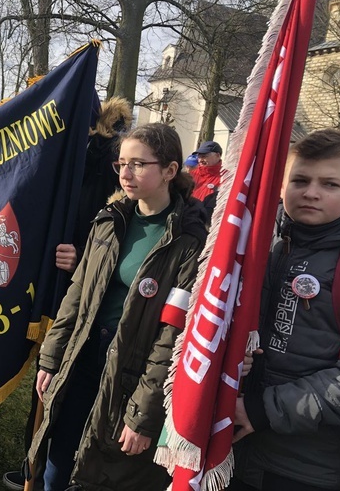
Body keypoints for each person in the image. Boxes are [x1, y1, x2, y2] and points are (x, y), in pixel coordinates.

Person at [28, 123, 207, 491]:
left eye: (138, 164)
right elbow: (77, 294)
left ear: (171, 171)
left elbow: (172, 336)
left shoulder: (189, 240)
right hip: (83, 358)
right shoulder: (110, 220)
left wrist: (145, 411)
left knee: (103, 472)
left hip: (132, 372)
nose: (126, 173)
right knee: (57, 464)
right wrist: (51, 356)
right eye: (121, 163)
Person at [3, 96, 129, 491]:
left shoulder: (107, 161)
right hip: (44, 282)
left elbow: (114, 224)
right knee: (46, 376)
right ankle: (34, 468)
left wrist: (80, 252)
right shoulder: (48, 149)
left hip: (83, 291)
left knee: (71, 386)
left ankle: (61, 471)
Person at [230, 129, 340, 491]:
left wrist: (262, 410)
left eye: (330, 184)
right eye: (300, 180)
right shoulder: (252, 242)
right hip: (230, 451)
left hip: (307, 466)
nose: (311, 192)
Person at [190, 140, 223, 223]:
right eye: (199, 156)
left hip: (208, 223)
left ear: (217, 155)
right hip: (187, 219)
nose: (200, 159)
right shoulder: (192, 175)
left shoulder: (226, 178)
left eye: (204, 156)